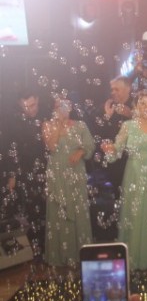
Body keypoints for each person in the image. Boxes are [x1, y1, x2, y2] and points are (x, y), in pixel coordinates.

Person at [102, 91, 147, 270]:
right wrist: (110, 149)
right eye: (142, 103)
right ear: (135, 107)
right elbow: (117, 149)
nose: (146, 106)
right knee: (135, 212)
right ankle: (135, 254)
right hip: (134, 172)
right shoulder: (128, 126)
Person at [42, 98, 94, 266]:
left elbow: (90, 146)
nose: (62, 109)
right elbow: (51, 146)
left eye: (65, 105)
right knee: (59, 210)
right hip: (57, 172)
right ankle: (61, 256)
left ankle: (80, 254)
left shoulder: (81, 125)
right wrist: (58, 124)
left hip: (76, 172)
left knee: (78, 210)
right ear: (54, 109)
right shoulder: (47, 125)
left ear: (71, 107)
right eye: (58, 106)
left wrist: (80, 151)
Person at [4, 87, 51, 258]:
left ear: (37, 100)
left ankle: (49, 248)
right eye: (26, 107)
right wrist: (12, 176)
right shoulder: (15, 123)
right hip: (26, 173)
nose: (30, 110)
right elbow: (11, 150)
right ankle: (36, 250)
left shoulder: (45, 117)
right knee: (32, 212)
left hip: (47, 170)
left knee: (48, 210)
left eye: (33, 105)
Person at [92, 76, 133, 200]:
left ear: (128, 89)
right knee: (119, 196)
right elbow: (99, 134)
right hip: (115, 161)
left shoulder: (138, 104)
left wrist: (131, 115)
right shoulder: (108, 107)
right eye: (112, 89)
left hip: (133, 159)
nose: (113, 92)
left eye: (117, 89)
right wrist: (107, 117)